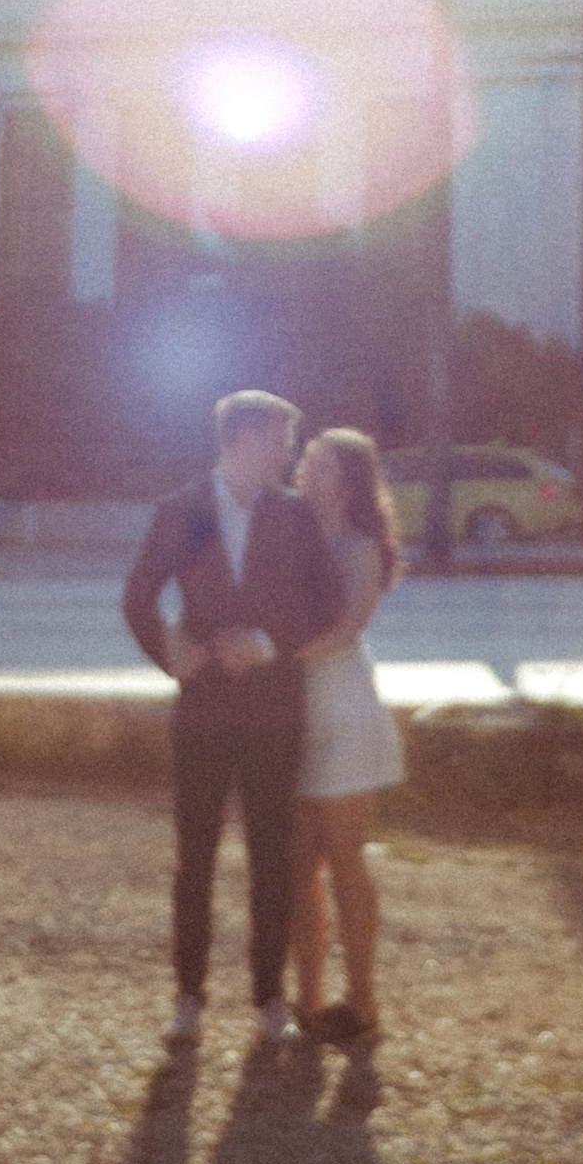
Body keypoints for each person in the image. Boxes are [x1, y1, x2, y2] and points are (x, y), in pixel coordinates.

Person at [121, 391, 344, 1050]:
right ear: (245, 438)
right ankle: (188, 996)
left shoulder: (296, 516)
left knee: (273, 857)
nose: (289, 455)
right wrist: (170, 649)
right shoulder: (184, 510)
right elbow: (137, 597)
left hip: (275, 711)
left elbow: (328, 602)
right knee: (195, 856)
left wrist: (269, 643)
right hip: (204, 712)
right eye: (281, 440)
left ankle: (269, 998)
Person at [289, 427, 407, 1046]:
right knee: (294, 867)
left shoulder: (360, 547)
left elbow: (347, 629)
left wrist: (272, 651)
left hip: (343, 710)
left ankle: (362, 999)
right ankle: (307, 1002)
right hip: (289, 714)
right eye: (307, 460)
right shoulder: (287, 535)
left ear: (350, 481)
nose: (308, 471)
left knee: (344, 859)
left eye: (324, 465)